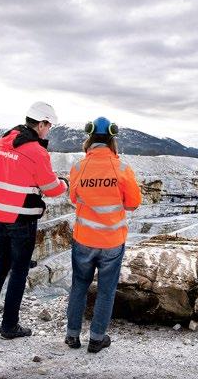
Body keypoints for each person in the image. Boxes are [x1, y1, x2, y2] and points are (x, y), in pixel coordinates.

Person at [0, 101, 68, 339]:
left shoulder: (0, 143)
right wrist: (64, 184)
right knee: (19, 270)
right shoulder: (36, 151)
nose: (49, 130)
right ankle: (9, 326)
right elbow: (51, 188)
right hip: (22, 219)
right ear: (41, 124)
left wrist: (2, 195)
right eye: (49, 126)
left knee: (2, 265)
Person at [64, 116, 142, 353]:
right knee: (106, 291)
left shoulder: (78, 167)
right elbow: (133, 203)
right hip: (112, 241)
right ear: (112, 140)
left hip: (84, 240)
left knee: (79, 286)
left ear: (89, 139)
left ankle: (72, 336)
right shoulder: (122, 168)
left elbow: (73, 199)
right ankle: (97, 338)